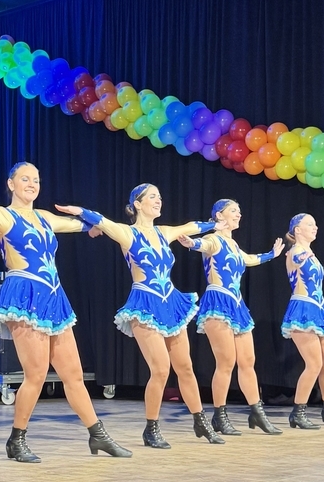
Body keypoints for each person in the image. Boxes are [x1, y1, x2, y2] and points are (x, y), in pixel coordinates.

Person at [0, 162, 131, 463]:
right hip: (24, 294)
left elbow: (81, 226)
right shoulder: (4, 216)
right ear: (11, 184)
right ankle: (16, 439)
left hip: (53, 296)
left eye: (36, 180)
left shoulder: (45, 217)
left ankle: (98, 434)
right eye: (25, 179)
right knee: (36, 374)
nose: (32, 184)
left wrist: (88, 220)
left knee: (73, 374)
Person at [55, 183, 221, 447]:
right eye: (152, 197)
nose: (159, 200)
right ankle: (151, 428)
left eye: (160, 196)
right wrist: (79, 211)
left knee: (185, 367)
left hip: (171, 303)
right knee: (161, 369)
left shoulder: (164, 232)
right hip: (145, 304)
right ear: (138, 204)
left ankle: (200, 421)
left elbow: (190, 226)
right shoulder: (128, 233)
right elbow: (103, 221)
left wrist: (215, 224)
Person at [179, 198, 284, 436]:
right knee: (226, 362)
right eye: (233, 211)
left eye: (239, 211)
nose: (238, 214)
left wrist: (271, 254)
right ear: (219, 215)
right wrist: (191, 243)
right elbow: (203, 245)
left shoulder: (234, 245)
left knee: (247, 361)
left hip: (237, 305)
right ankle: (219, 415)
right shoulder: (214, 239)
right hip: (218, 302)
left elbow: (249, 259)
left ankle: (257, 413)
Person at [281, 213, 324, 429]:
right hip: (303, 309)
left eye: (315, 224)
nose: (315, 227)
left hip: (319, 310)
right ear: (297, 230)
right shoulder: (295, 251)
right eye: (309, 224)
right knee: (314, 364)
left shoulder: (310, 253)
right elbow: (295, 259)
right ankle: (298, 412)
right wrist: (303, 254)